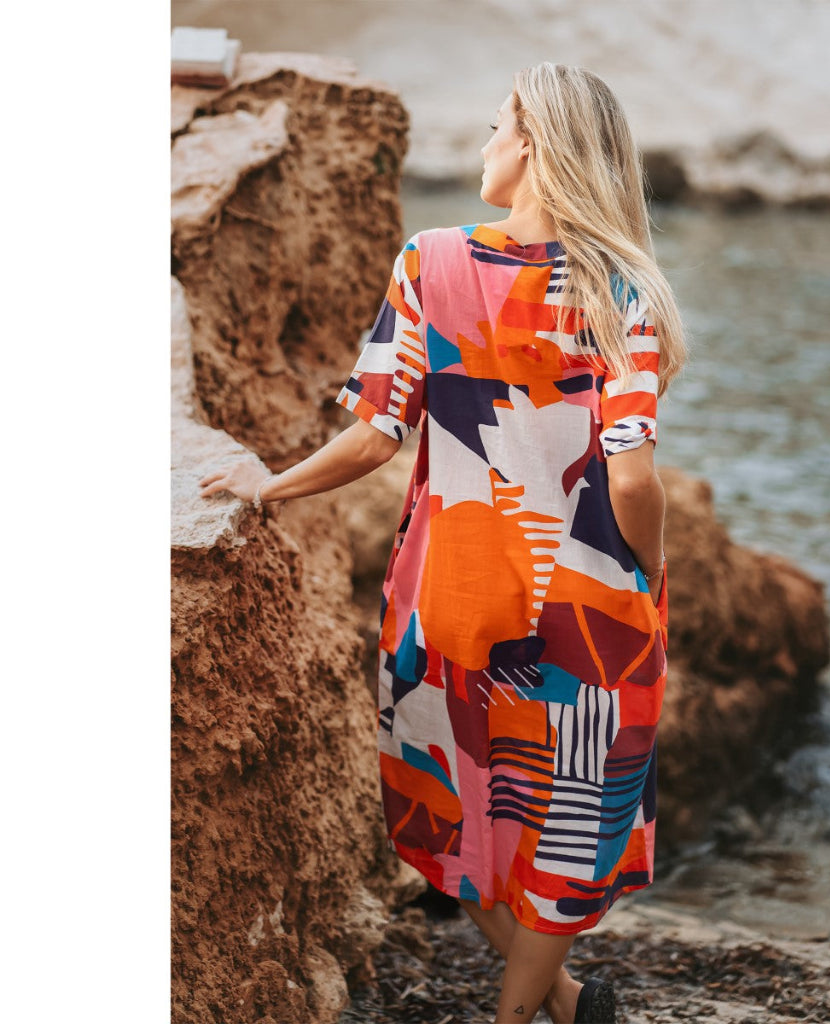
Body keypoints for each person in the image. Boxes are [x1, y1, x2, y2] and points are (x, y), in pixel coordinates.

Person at [199, 61, 686, 1024]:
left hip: (449, 586)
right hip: (587, 600)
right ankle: (523, 1015)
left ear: (534, 145)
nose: (483, 147)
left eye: (496, 128)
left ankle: (565, 1008)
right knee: (568, 823)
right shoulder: (623, 291)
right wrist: (653, 569)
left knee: (455, 806)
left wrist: (271, 483)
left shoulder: (431, 260)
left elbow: (375, 434)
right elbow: (631, 476)